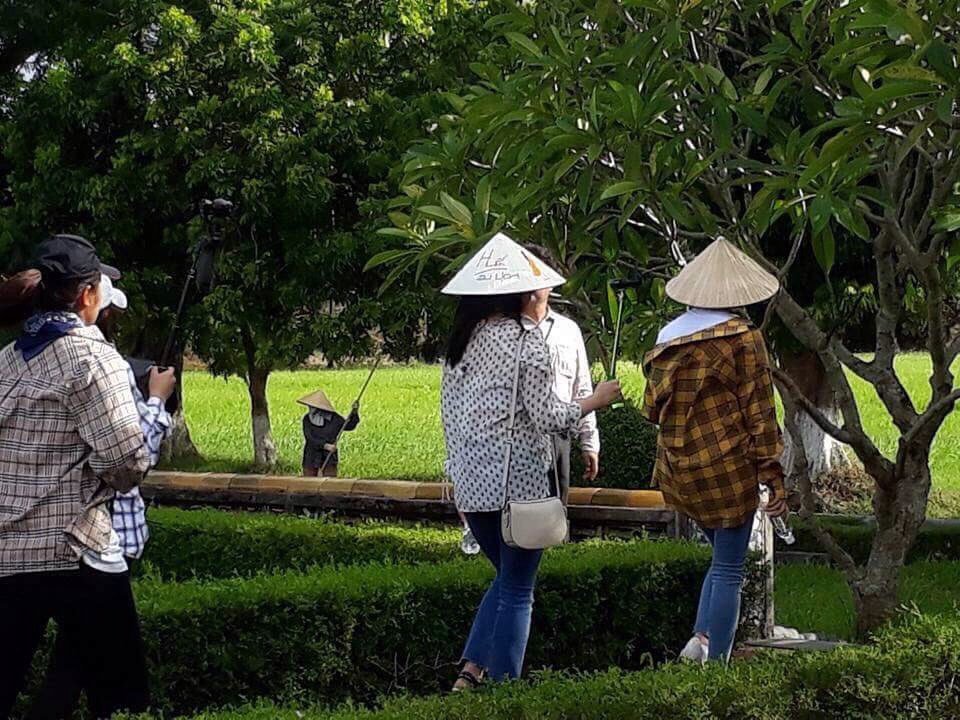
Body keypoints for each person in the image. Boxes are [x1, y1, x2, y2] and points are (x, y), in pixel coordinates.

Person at [440, 232, 622, 690]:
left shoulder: (460, 344)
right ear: (521, 294)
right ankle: (507, 691)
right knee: (519, 590)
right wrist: (596, 400)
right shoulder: (526, 342)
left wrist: (457, 476)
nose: (547, 295)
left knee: (507, 579)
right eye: (540, 289)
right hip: (518, 485)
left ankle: (470, 673)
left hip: (472, 486)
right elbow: (551, 417)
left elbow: (450, 419)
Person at [0, 234, 153, 718]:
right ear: (88, 294)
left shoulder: (7, 359)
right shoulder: (94, 357)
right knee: (122, 699)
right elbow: (126, 462)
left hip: (8, 551)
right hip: (76, 548)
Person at [26, 272, 177, 719]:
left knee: (73, 662)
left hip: (41, 535)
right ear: (92, 303)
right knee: (101, 674)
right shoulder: (101, 365)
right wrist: (157, 401)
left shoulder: (22, 358)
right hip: (98, 542)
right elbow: (130, 460)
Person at [640, 237, 788, 664]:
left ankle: (700, 641)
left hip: (678, 469)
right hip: (728, 468)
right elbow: (759, 411)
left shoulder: (666, 338)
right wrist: (773, 475)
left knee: (721, 556)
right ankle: (717, 665)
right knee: (729, 567)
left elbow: (652, 409)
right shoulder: (743, 338)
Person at [521, 284, 600, 495]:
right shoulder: (507, 332)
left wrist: (589, 442)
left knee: (556, 508)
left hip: (559, 436)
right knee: (518, 509)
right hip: (520, 435)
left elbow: (581, 387)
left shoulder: (568, 330)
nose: (533, 286)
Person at [298, 390, 360, 477]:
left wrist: (354, 412)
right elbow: (309, 438)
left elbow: (348, 426)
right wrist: (325, 445)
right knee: (309, 481)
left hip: (329, 457)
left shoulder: (334, 419)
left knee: (330, 480)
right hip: (312, 456)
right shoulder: (307, 419)